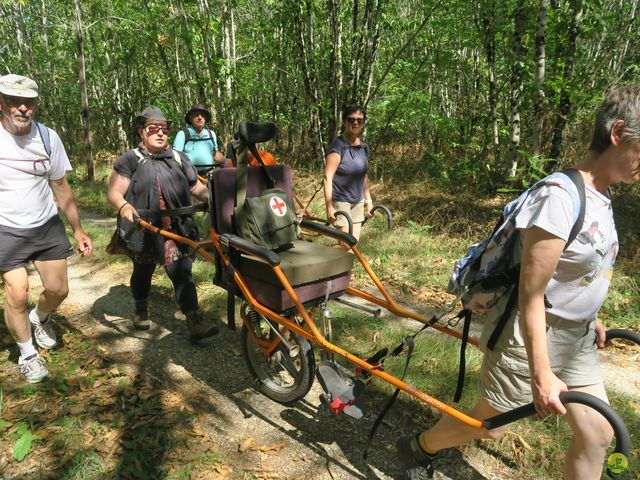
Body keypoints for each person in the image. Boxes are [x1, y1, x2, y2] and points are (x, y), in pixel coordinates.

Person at [396, 84, 640, 480]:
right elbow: (531, 295)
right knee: (492, 425)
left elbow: (583, 270)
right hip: (531, 336)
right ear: (617, 134)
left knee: (598, 434)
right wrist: (542, 374)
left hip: (576, 339)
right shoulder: (559, 197)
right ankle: (420, 445)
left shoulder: (604, 194)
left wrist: (589, 314)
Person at [0, 74, 93, 384]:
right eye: (14, 101)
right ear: (2, 103)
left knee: (58, 290)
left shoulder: (48, 138)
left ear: (37, 104)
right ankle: (28, 355)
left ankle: (38, 318)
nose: (22, 108)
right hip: (6, 229)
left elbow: (61, 187)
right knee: (18, 291)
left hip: (45, 223)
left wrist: (77, 229)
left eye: (29, 102)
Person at [106, 106, 218, 342]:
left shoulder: (179, 158)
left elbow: (195, 187)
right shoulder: (130, 159)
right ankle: (140, 307)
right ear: (141, 132)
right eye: (153, 129)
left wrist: (211, 197)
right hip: (144, 228)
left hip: (175, 227)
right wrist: (124, 206)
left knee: (182, 272)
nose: (160, 133)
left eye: (164, 129)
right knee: (142, 271)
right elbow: (115, 192)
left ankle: (194, 321)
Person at [323, 105, 373, 247]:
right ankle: (328, 262)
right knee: (345, 244)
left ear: (363, 123)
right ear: (345, 121)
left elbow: (364, 176)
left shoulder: (363, 147)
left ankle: (346, 270)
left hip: (358, 201)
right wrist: (329, 206)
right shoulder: (338, 145)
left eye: (360, 120)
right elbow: (328, 177)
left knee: (353, 244)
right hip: (341, 201)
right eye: (351, 119)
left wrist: (368, 202)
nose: (355, 123)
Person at [173, 104, 224, 174]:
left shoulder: (211, 134)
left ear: (205, 118)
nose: (200, 117)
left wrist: (227, 161)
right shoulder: (183, 134)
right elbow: (175, 157)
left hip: (210, 175)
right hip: (190, 176)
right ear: (190, 118)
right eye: (196, 115)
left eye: (202, 115)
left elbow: (215, 154)